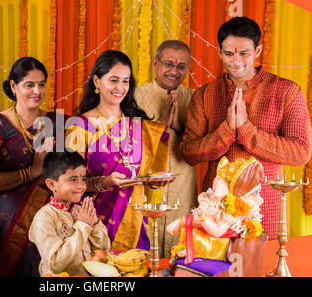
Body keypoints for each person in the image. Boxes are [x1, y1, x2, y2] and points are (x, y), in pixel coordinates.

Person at [180, 17, 312, 240]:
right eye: (229, 54)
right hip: (216, 212)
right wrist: (227, 130)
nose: (236, 61)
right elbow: (189, 153)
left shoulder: (286, 91)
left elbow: (301, 152)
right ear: (220, 52)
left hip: (265, 210)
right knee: (216, 272)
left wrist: (246, 129)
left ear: (258, 49)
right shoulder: (205, 95)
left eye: (244, 53)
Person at [65, 50, 175, 252]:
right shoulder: (80, 127)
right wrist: (104, 182)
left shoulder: (140, 127)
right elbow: (70, 183)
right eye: (114, 80)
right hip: (94, 224)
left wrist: (153, 181)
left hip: (134, 223)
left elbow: (144, 176)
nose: (120, 88)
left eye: (125, 81)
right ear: (97, 82)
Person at [0, 57, 57, 276]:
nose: (37, 91)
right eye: (29, 85)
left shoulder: (55, 121)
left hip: (47, 224)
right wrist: (32, 172)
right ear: (13, 85)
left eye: (41, 84)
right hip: (5, 225)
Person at [134, 40, 198, 258]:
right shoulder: (135, 96)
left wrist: (180, 127)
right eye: (168, 64)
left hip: (183, 181)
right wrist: (159, 125)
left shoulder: (194, 98)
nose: (174, 71)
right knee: (145, 245)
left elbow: (201, 143)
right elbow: (128, 144)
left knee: (178, 245)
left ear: (188, 68)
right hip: (148, 180)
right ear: (155, 63)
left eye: (181, 66)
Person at [167, 156, 264, 264]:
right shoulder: (218, 202)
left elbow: (217, 232)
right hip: (207, 236)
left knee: (198, 234)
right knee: (193, 230)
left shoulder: (231, 210)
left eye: (218, 182)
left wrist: (202, 217)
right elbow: (200, 220)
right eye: (215, 180)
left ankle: (193, 251)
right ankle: (188, 248)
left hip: (217, 245)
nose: (214, 183)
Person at [29, 151, 110, 276]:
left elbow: (103, 251)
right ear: (51, 184)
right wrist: (83, 225)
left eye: (83, 179)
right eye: (73, 179)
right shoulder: (45, 217)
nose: (81, 186)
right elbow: (55, 264)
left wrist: (94, 224)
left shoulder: (79, 211)